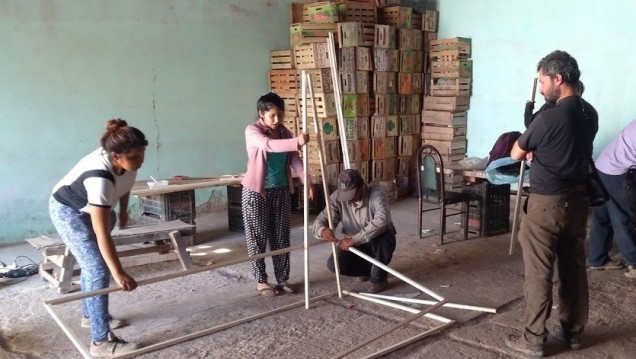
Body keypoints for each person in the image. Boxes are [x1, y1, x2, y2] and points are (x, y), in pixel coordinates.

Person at [505, 50, 598, 357]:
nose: (541, 88)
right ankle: (572, 333)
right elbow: (568, 147)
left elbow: (516, 153)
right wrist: (541, 150)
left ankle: (533, 340)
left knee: (538, 273)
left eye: (543, 81)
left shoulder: (549, 118)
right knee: (573, 268)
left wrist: (532, 150)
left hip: (547, 205)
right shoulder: (590, 113)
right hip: (579, 202)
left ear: (558, 79)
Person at [49, 119, 147, 357]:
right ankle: (100, 341)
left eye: (142, 154)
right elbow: (102, 233)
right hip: (68, 211)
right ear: (115, 156)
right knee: (97, 269)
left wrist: (123, 212)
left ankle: (89, 316)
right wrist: (118, 272)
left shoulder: (129, 163)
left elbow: (126, 185)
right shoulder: (99, 177)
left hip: (93, 207)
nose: (140, 160)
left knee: (94, 266)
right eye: (135, 156)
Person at [241, 92, 313, 297]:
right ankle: (261, 281)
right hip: (256, 192)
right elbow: (268, 145)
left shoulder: (284, 132)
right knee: (257, 237)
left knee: (281, 236)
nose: (277, 120)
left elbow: (294, 159)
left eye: (280, 115)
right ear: (261, 114)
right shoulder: (253, 131)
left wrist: (306, 179)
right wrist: (296, 141)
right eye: (272, 115)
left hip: (280, 190)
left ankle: (282, 279)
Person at [312, 169, 397, 293]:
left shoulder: (377, 194)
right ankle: (367, 270)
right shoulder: (336, 198)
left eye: (351, 195)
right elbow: (321, 219)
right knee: (334, 264)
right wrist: (322, 229)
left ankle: (379, 278)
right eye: (344, 195)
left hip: (376, 238)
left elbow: (382, 219)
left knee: (385, 239)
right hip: (353, 242)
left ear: (361, 186)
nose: (348, 200)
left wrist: (355, 239)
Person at [588, 119, 636, 278]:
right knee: (624, 217)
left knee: (603, 216)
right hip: (617, 173)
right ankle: (634, 264)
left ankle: (597, 259)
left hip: (602, 167)